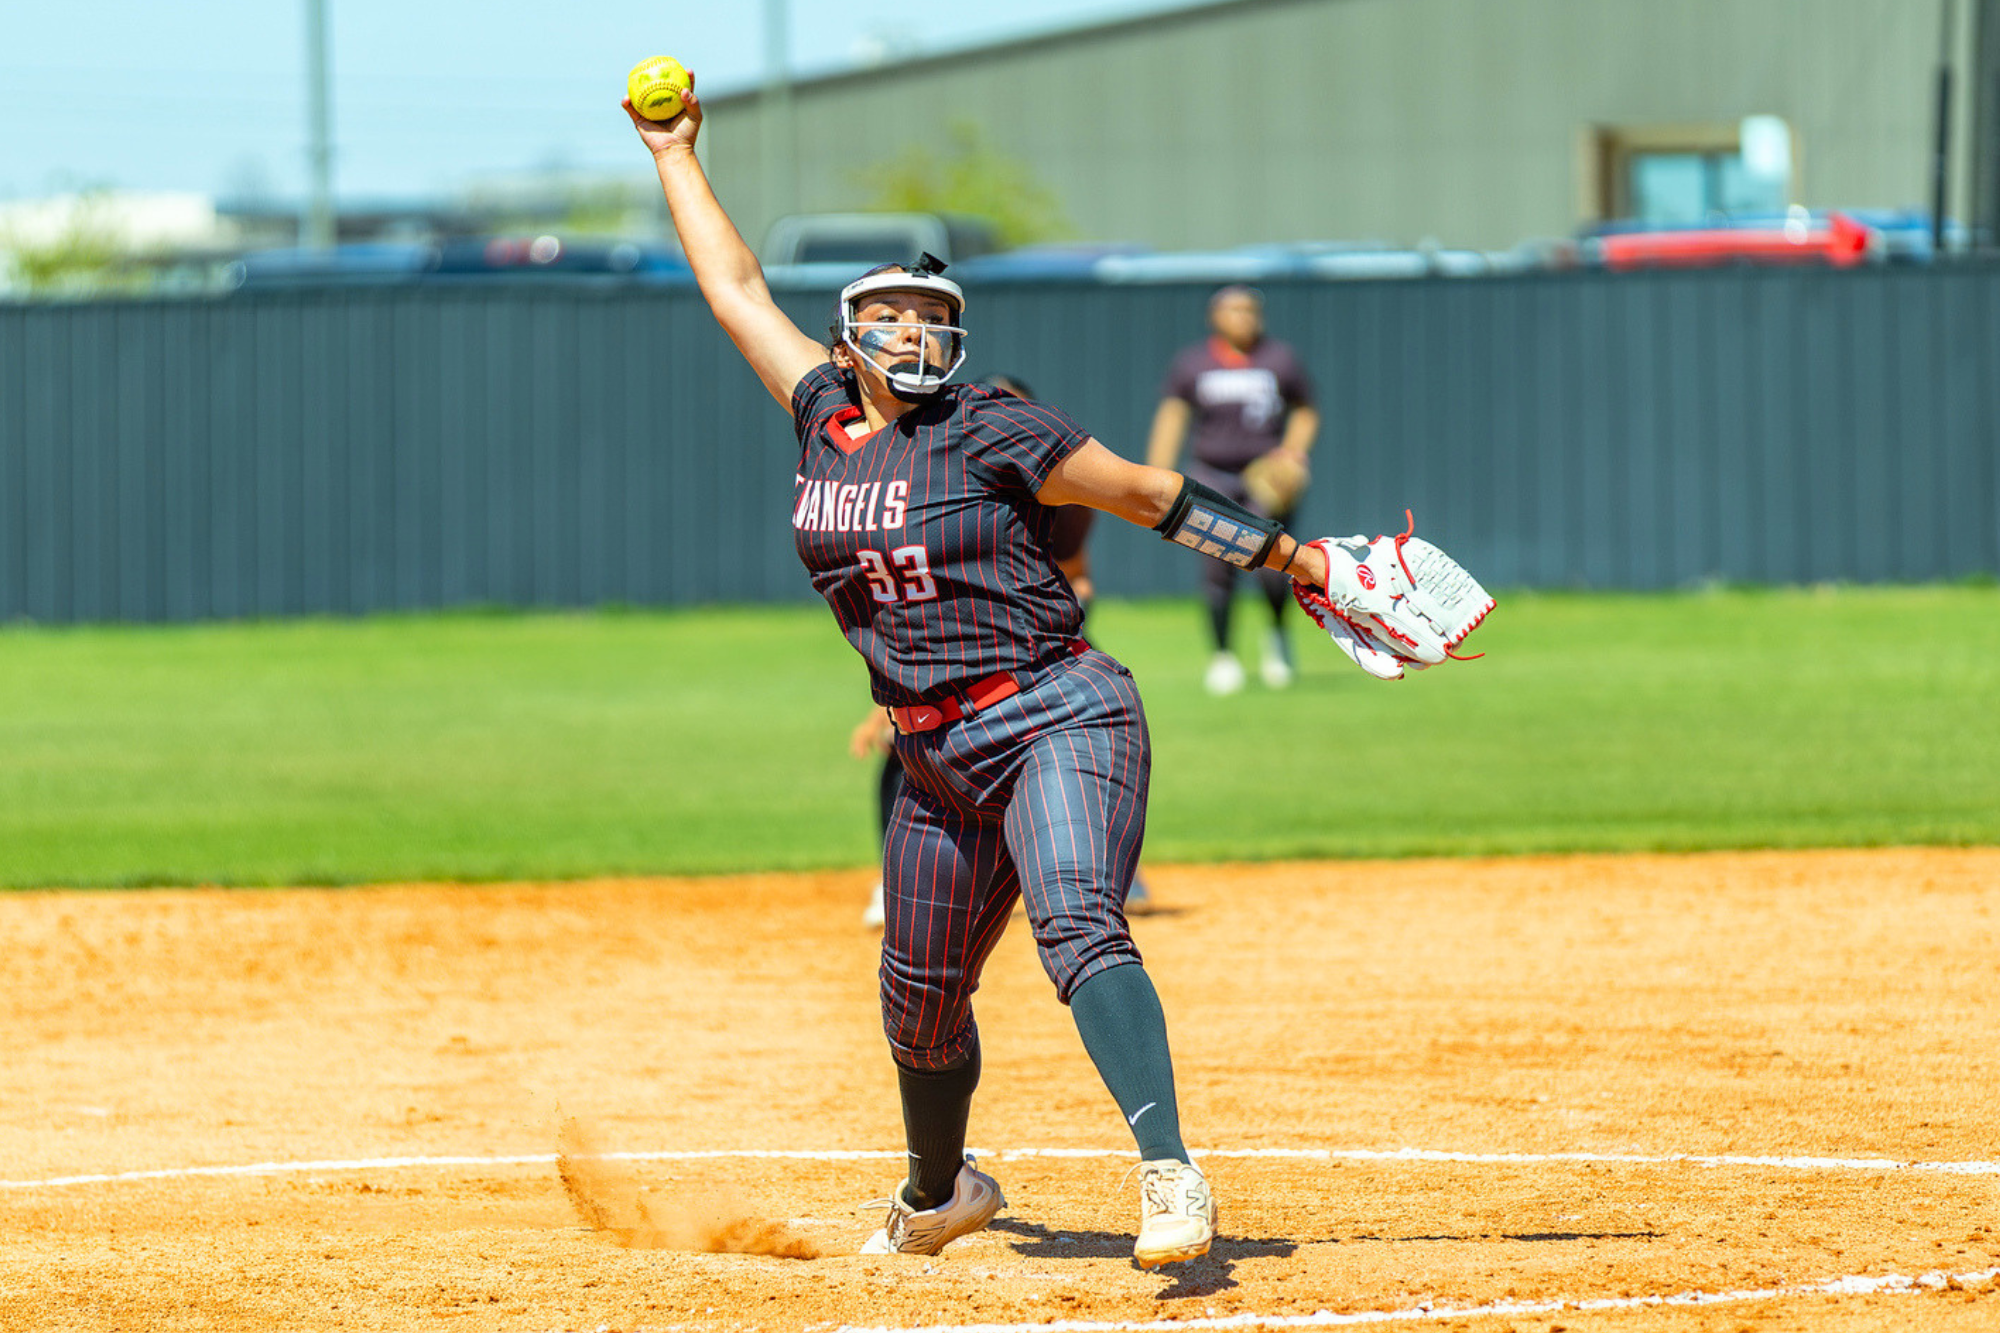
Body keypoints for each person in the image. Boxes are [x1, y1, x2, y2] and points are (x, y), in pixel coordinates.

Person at [624, 78, 1337, 1268]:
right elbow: (735, 288)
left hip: (1057, 710)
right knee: (916, 1003)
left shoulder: (991, 424)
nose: (912, 331)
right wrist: (671, 156)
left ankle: (1169, 1175)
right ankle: (939, 1188)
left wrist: (1291, 555)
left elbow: (1149, 495)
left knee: (1073, 916)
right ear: (849, 338)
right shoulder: (817, 418)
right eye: (889, 317)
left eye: (928, 314)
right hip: (931, 754)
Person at [855, 372, 1151, 930]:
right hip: (942, 639)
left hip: (1039, 633)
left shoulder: (1063, 487)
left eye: (1013, 413)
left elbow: (1074, 572)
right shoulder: (937, 479)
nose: (998, 424)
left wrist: (1072, 589)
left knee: (1094, 736)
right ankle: (893, 882)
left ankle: (1111, 873)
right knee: (910, 741)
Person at [1145, 286, 1320, 694]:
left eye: (1251, 309)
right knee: (1217, 566)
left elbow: (1306, 409)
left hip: (1266, 474)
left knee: (1275, 564)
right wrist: (1156, 473)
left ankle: (1278, 639)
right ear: (1215, 316)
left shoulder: (1279, 359)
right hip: (1212, 473)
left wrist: (1293, 452)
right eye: (1235, 309)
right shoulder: (1194, 362)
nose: (1245, 316)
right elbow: (1172, 416)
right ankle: (1223, 657)